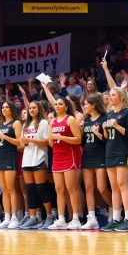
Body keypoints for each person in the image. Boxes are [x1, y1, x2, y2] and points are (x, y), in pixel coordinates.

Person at [101, 87, 128, 232]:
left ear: (121, 97)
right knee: (114, 187)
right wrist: (103, 130)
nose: (110, 97)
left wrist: (117, 126)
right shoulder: (109, 115)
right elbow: (107, 138)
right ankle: (116, 218)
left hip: (124, 152)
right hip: (110, 152)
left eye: (113, 95)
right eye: (109, 95)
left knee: (123, 185)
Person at [47, 96, 82, 230]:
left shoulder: (71, 119)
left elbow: (78, 139)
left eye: (60, 104)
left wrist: (61, 137)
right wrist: (52, 138)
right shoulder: (53, 122)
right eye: (56, 104)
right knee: (59, 189)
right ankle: (61, 219)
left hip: (69, 156)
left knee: (71, 187)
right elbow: (51, 143)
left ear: (66, 107)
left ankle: (76, 218)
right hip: (57, 156)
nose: (57, 106)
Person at [19, 101, 54, 229]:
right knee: (30, 190)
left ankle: (49, 216)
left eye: (34, 108)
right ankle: (33, 218)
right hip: (27, 159)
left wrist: (30, 140)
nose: (32, 110)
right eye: (30, 108)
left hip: (39, 158)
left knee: (41, 188)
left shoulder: (44, 123)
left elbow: (46, 142)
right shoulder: (25, 125)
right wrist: (23, 142)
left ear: (39, 109)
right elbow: (22, 145)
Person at [81, 94, 112, 229]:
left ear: (93, 105)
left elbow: (108, 140)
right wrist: (81, 130)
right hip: (87, 155)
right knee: (88, 188)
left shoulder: (105, 118)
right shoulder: (86, 120)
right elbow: (82, 142)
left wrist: (98, 133)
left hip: (100, 155)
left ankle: (114, 209)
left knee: (101, 187)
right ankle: (92, 217)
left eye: (86, 104)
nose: (84, 106)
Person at [0, 101, 22, 228]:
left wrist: (4, 137)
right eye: (3, 107)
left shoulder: (16, 123)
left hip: (10, 156)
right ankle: (7, 217)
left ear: (11, 109)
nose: (4, 109)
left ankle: (15, 217)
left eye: (7, 107)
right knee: (3, 190)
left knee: (11, 189)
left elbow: (20, 143)